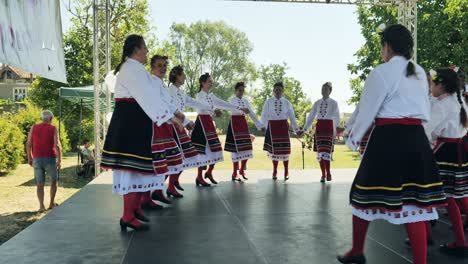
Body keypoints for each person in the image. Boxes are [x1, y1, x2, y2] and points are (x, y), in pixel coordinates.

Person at [338, 25, 447, 264]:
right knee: (414, 202)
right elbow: (425, 110)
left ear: (387, 46)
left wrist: (352, 139)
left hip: (388, 139)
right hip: (416, 138)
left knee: (362, 195)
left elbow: (368, 110)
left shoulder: (381, 72)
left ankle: (357, 251)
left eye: (381, 46)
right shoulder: (419, 72)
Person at [101, 34, 184, 231]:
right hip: (131, 122)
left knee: (140, 169)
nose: (147, 51)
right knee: (133, 169)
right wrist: (170, 117)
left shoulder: (134, 68)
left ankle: (135, 209)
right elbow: (148, 97)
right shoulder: (132, 68)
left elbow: (152, 96)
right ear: (137, 49)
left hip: (136, 120)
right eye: (145, 48)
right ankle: (127, 215)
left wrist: (171, 115)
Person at [423, 68, 468, 255]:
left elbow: (427, 130)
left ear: (441, 85)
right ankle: (457, 239)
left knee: (439, 196)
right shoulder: (459, 103)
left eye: (432, 83)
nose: (430, 87)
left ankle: (457, 240)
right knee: (454, 197)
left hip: (444, 154)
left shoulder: (442, 105)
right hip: (457, 152)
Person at [191, 73, 248, 186]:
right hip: (201, 123)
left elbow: (224, 104)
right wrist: (213, 111)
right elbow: (200, 108)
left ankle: (209, 172)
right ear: (202, 83)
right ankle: (199, 177)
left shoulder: (211, 96)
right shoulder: (199, 95)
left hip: (209, 124)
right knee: (202, 151)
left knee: (216, 149)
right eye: (209, 81)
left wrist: (238, 108)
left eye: (211, 81)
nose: (211, 83)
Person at [167, 65, 212, 195]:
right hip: (171, 127)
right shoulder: (169, 91)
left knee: (184, 157)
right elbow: (173, 110)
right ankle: (165, 187)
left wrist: (210, 108)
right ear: (177, 76)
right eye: (183, 75)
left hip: (179, 127)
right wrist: (186, 121)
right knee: (173, 159)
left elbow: (193, 102)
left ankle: (172, 183)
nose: (185, 77)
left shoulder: (180, 92)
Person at [147, 55, 185, 204]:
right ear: (152, 67)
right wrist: (174, 116)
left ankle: (157, 191)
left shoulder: (160, 83)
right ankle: (147, 197)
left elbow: (167, 102)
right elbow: (157, 103)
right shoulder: (151, 82)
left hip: (165, 124)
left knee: (168, 161)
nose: (162, 68)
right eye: (159, 65)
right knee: (156, 163)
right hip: (156, 125)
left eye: (164, 65)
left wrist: (178, 114)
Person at [260, 81, 303, 181]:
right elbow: (264, 115)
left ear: (282, 91)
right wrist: (262, 126)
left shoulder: (287, 102)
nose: (278, 91)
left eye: (280, 90)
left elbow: (292, 117)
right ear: (273, 91)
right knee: (274, 151)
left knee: (284, 151)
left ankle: (286, 171)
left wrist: (297, 129)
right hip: (272, 127)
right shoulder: (268, 102)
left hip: (283, 127)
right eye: (276, 90)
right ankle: (274, 171)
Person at [225, 82, 263, 181]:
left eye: (243, 90)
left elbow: (252, 113)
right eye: (239, 90)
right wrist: (242, 109)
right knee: (236, 150)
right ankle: (234, 173)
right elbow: (231, 109)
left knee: (247, 147)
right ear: (236, 90)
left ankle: (242, 169)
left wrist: (260, 125)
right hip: (234, 124)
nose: (241, 92)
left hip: (243, 123)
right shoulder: (232, 100)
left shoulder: (246, 101)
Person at [303, 82, 340, 182]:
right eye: (322, 89)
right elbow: (311, 116)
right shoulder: (317, 103)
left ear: (330, 91)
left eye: (326, 89)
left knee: (326, 152)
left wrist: (337, 129)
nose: (324, 91)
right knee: (320, 153)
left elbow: (337, 117)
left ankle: (328, 173)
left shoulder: (334, 103)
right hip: (319, 127)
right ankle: (323, 174)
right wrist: (305, 128)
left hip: (328, 127)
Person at [26, 110, 61, 212]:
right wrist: (59, 160)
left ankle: (41, 206)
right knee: (53, 181)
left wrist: (30, 157)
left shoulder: (34, 127)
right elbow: (57, 145)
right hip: (50, 158)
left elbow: (28, 143)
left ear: (42, 118)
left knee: (39, 183)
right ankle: (51, 203)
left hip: (37, 159)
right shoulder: (54, 128)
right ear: (51, 119)